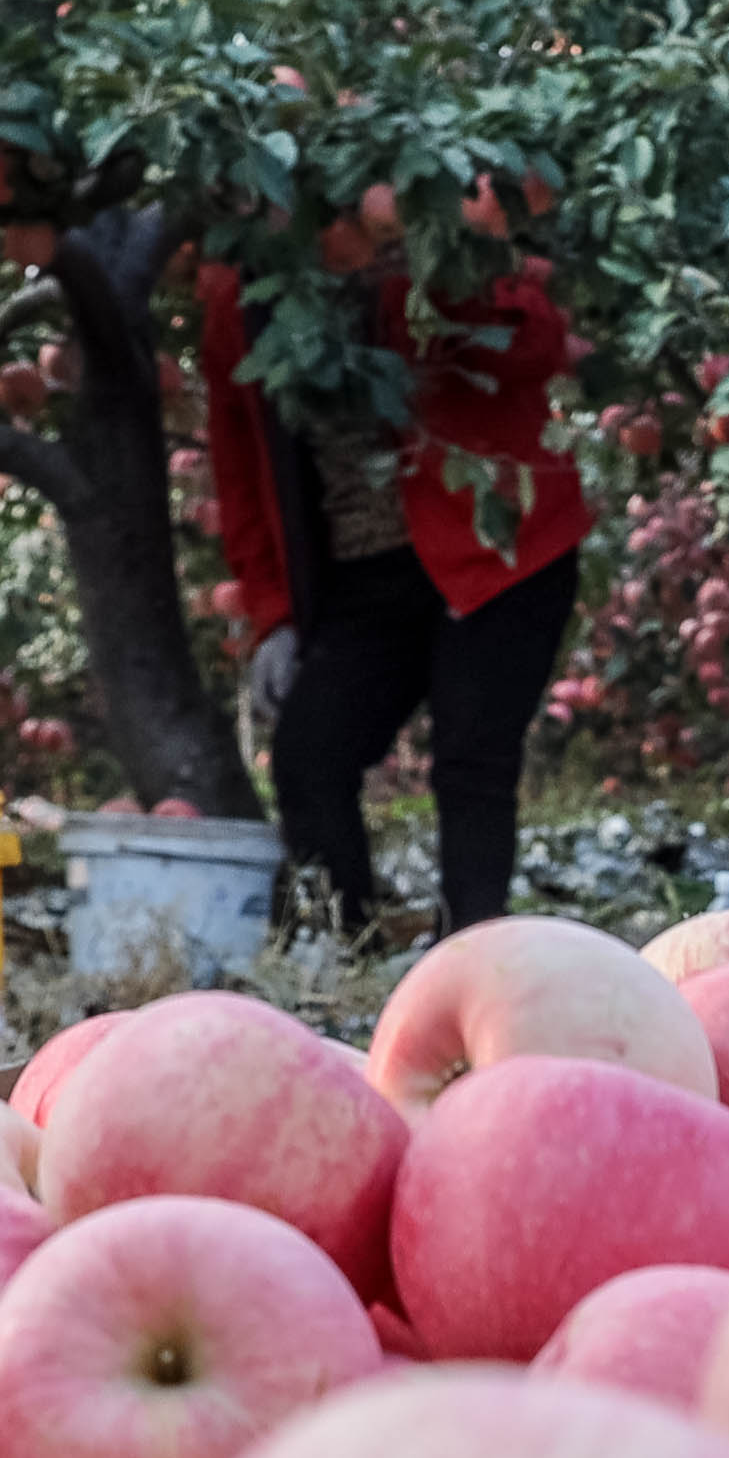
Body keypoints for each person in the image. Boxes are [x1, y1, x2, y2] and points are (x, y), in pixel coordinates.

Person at [195, 247, 592, 940]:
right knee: (308, 754)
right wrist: (274, 615)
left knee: (472, 762)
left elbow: (537, 345)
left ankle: (474, 958)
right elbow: (241, 465)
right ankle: (348, 950)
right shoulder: (240, 296)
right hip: (366, 576)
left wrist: (433, 265)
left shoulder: (422, 229)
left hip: (498, 550)